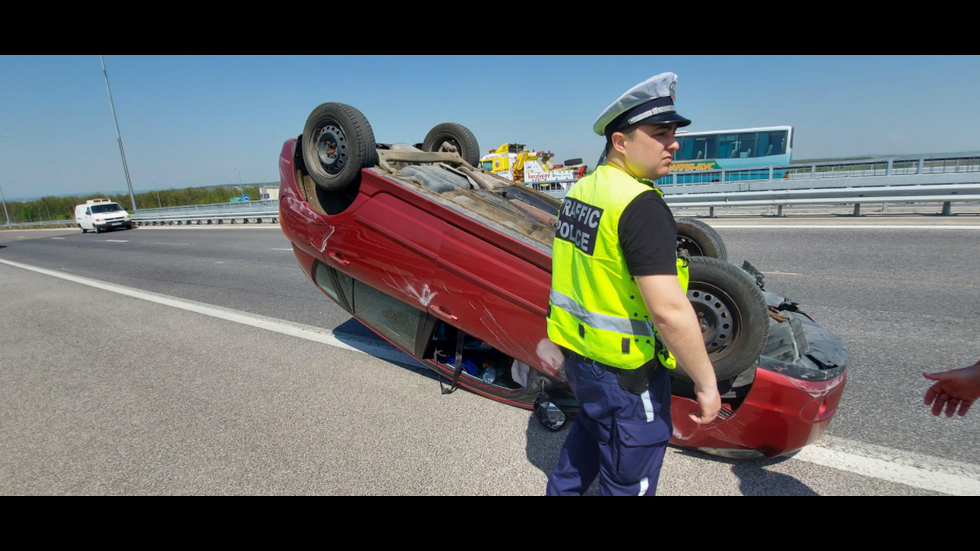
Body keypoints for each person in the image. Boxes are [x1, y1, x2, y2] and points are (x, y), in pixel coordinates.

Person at [545, 73, 721, 496]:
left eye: (674, 134)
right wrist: (706, 382)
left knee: (589, 433)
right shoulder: (639, 204)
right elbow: (668, 310)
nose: (673, 144)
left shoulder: (583, 190)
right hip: (626, 370)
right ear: (621, 142)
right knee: (631, 474)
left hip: (582, 355)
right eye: (660, 134)